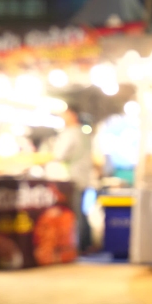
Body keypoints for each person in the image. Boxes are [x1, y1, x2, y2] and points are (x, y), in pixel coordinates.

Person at [54, 104, 93, 254]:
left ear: (72, 115)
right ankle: (87, 243)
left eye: (65, 114)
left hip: (72, 178)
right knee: (81, 211)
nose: (63, 118)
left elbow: (59, 155)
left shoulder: (70, 134)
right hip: (83, 177)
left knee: (75, 213)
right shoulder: (84, 134)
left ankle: (77, 246)